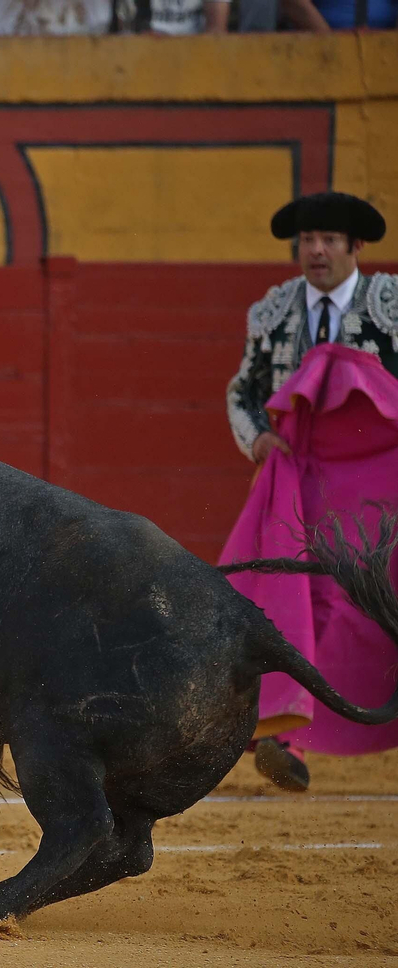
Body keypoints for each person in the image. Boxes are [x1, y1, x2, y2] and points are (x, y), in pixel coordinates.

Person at [221, 191, 398, 792]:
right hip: (300, 483)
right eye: (307, 241)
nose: (315, 251)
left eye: (328, 240)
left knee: (373, 601)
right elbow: (242, 393)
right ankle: (285, 735)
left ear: (356, 248)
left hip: (378, 487)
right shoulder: (270, 313)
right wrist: (259, 441)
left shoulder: (392, 307)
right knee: (291, 601)